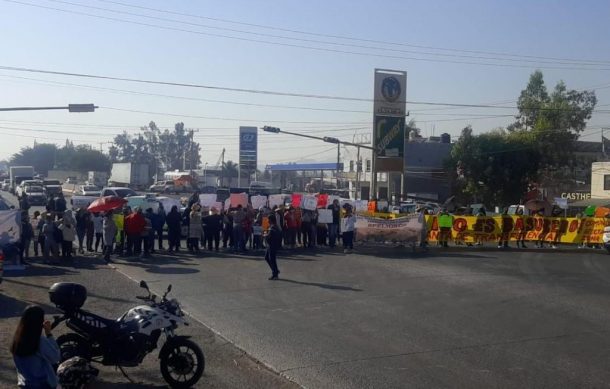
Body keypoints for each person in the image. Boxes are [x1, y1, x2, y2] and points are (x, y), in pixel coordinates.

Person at [11, 305, 60, 389]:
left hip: (25, 384)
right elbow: (56, 357)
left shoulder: (17, 339)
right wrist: (48, 333)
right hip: (43, 385)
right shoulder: (39, 340)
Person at [264, 214, 281, 280]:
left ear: (271, 220)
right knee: (266, 257)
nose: (267, 220)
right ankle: (275, 270)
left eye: (268, 219)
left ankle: (275, 274)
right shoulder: (274, 227)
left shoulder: (272, 228)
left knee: (272, 259)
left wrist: (265, 234)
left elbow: (268, 237)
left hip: (272, 245)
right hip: (272, 245)